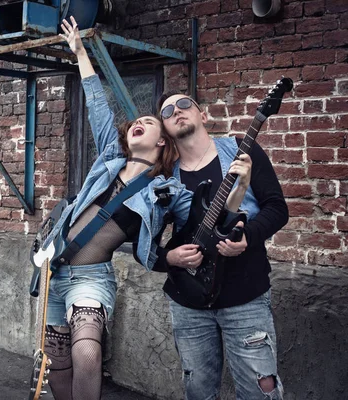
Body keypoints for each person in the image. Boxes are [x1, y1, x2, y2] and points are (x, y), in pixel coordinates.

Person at [40, 18, 253, 400]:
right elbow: (97, 105)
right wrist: (80, 52)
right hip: (54, 271)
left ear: (161, 143)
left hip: (91, 277)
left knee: (87, 352)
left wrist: (236, 194)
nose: (139, 123)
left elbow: (205, 221)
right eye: (136, 121)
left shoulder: (164, 190)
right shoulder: (109, 155)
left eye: (150, 122)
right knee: (56, 363)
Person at [154, 90, 289, 399]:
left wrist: (248, 237)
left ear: (203, 115)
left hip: (245, 297)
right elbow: (146, 242)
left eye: (184, 103)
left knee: (261, 390)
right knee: (198, 391)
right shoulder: (164, 177)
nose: (177, 111)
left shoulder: (243, 152)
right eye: (168, 111)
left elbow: (277, 209)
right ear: (165, 130)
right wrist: (170, 257)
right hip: (188, 301)